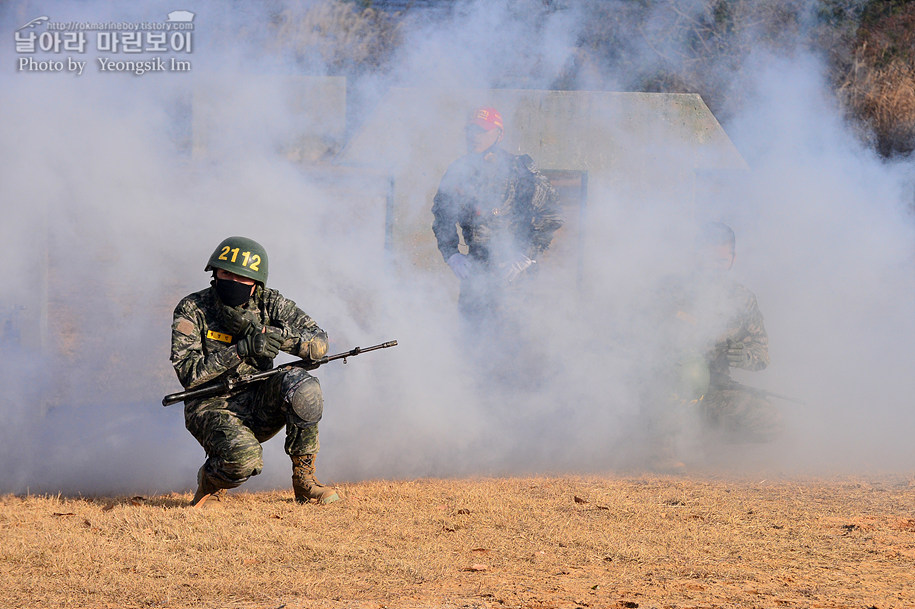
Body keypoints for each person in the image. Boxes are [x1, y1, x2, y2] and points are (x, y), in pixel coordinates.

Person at [170, 236, 340, 507]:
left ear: (256, 283)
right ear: (214, 272)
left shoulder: (270, 303)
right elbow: (189, 374)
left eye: (242, 277)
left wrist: (274, 337)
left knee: (303, 386)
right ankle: (212, 481)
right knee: (244, 460)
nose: (233, 281)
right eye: (226, 273)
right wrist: (240, 350)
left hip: (260, 399)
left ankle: (305, 481)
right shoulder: (193, 309)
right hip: (211, 404)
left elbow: (319, 344)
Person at [652, 222, 779, 468]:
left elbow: (762, 355)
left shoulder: (743, 300)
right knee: (674, 383)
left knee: (770, 421)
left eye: (721, 262)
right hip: (667, 387)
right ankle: (660, 449)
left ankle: (705, 443)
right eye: (708, 260)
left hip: (713, 390)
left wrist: (745, 357)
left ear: (732, 259)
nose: (714, 268)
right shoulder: (669, 290)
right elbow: (641, 341)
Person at [431, 106, 563, 338]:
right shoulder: (458, 171)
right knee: (472, 338)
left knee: (512, 340)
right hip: (476, 272)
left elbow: (551, 213)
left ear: (499, 135)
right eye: (471, 130)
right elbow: (442, 215)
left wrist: (526, 255)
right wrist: (451, 254)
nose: (474, 136)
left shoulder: (520, 169)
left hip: (513, 273)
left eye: (482, 131)